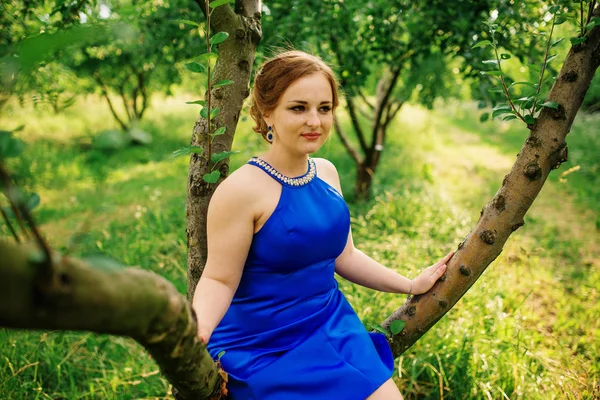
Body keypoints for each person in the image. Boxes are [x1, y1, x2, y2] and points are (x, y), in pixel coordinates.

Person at [192, 50, 453, 400]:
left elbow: (345, 256)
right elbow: (218, 279)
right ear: (267, 112)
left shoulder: (327, 173)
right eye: (298, 108)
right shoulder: (240, 191)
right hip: (262, 346)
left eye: (324, 108)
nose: (314, 121)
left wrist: (410, 284)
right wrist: (197, 333)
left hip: (330, 326)